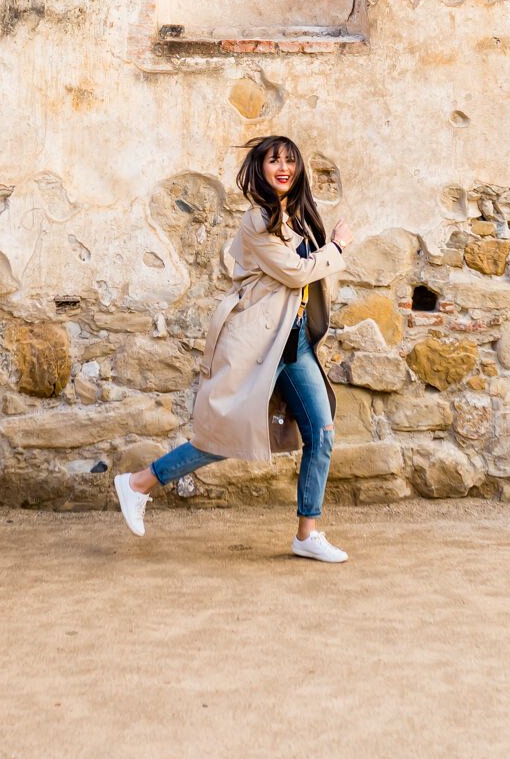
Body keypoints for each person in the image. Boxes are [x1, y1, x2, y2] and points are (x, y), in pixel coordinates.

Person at [115, 136, 353, 562]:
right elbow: (295, 272)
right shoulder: (257, 221)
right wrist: (336, 248)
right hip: (257, 342)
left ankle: (307, 534)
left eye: (289, 161)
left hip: (294, 344)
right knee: (221, 436)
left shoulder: (296, 216)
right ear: (259, 170)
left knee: (322, 432)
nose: (282, 167)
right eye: (273, 161)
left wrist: (324, 248)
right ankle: (138, 484)